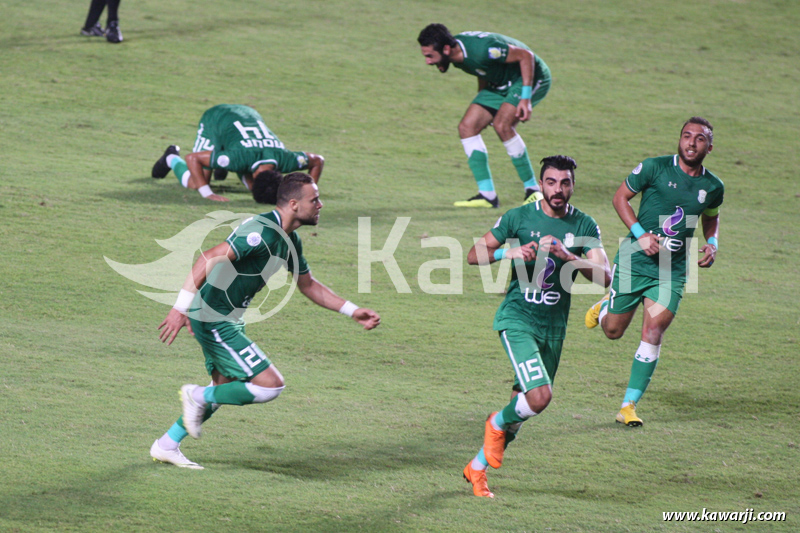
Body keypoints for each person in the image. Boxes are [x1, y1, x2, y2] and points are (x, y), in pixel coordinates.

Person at [149, 173, 381, 469]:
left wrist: (352, 310)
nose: (320, 205)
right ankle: (196, 395)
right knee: (269, 386)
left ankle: (167, 444)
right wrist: (180, 308)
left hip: (227, 318)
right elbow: (208, 257)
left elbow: (308, 285)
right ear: (294, 204)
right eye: (315, 200)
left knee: (226, 386)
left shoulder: (289, 240)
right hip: (213, 318)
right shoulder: (259, 231)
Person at [463, 155, 611, 497]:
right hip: (518, 319)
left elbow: (605, 277)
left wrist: (569, 257)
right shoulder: (518, 217)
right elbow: (474, 254)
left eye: (565, 183)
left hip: (554, 327)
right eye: (551, 182)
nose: (558, 190)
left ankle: (477, 468)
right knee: (539, 397)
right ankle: (494, 423)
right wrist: (508, 254)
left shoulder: (586, 225)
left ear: (573, 185)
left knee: (523, 406)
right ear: (541, 184)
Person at [584, 117, 724, 427]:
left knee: (653, 332)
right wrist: (639, 233)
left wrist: (712, 243)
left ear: (709, 147)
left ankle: (628, 406)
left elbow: (710, 217)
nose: (691, 142)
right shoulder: (654, 168)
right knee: (613, 331)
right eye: (686, 136)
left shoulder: (713, 187)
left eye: (699, 139)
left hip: (670, 271)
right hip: (635, 261)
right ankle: (606, 305)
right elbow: (620, 198)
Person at [417, 24, 551, 208]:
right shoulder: (456, 54)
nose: (427, 62)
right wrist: (483, 99)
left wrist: (526, 98)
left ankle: (534, 191)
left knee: (502, 125)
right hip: (499, 81)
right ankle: (487, 195)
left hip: (529, 77)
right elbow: (481, 69)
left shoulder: (483, 49)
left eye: (429, 56)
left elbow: (525, 56)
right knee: (467, 127)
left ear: (446, 49)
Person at [151, 104, 324, 202]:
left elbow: (317, 161)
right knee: (196, 182)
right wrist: (207, 193)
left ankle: (218, 163)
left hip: (247, 113)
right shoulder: (238, 158)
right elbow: (192, 158)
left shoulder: (287, 159)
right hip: (217, 118)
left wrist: (308, 195)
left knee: (233, 162)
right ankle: (171, 157)